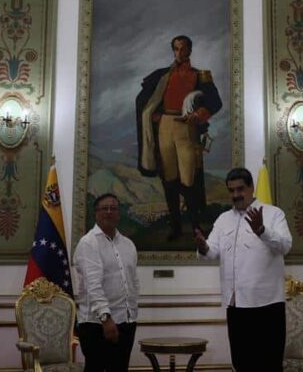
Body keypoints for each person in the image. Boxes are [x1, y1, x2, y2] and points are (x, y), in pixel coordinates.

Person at [195, 167, 292, 372]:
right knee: (241, 364)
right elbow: (212, 252)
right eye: (231, 190)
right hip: (236, 304)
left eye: (240, 189)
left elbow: (285, 246)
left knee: (269, 365)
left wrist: (262, 230)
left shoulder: (273, 214)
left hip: (267, 304)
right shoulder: (223, 219)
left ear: (251, 188)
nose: (236, 195)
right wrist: (203, 246)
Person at [136, 35, 223, 241]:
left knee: (189, 178)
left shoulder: (200, 75)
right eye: (176, 49)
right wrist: (154, 114)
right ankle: (175, 227)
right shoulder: (162, 75)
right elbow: (145, 99)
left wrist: (199, 114)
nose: (179, 53)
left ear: (190, 50)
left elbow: (215, 102)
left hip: (187, 128)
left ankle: (195, 227)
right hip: (165, 127)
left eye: (183, 49)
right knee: (169, 178)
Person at [74, 193, 139, 372]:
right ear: (96, 213)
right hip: (97, 324)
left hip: (126, 321)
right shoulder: (88, 243)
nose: (109, 212)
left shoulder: (128, 245)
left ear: (119, 214)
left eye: (113, 208)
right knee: (96, 368)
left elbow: (133, 282)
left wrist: (132, 313)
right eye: (104, 208)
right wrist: (106, 318)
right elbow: (93, 285)